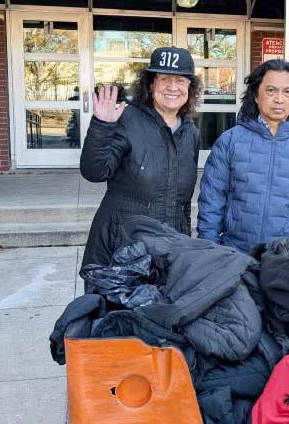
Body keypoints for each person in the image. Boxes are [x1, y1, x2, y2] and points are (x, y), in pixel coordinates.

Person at [80, 47, 202, 271]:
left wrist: (184, 246)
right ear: (150, 84)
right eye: (164, 79)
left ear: (189, 88)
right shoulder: (127, 119)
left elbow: (183, 202)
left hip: (168, 248)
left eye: (180, 80)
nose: (172, 87)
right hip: (122, 247)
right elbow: (94, 172)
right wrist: (102, 126)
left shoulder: (190, 133)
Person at [197, 59, 289, 252]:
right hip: (235, 252)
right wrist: (209, 249)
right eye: (271, 90)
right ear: (256, 96)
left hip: (287, 256)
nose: (279, 99)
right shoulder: (230, 141)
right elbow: (212, 200)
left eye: (287, 91)